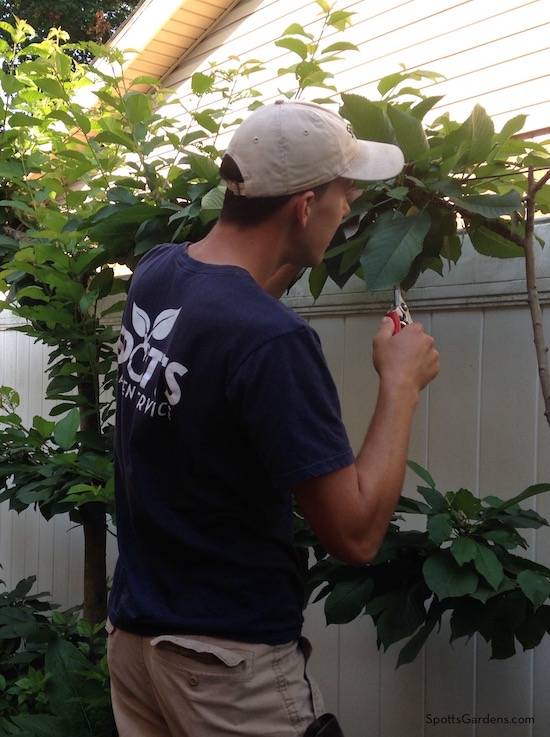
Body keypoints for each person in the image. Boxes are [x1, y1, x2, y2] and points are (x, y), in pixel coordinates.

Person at [107, 100, 440, 737]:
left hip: (137, 644)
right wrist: (400, 384)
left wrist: (292, 254)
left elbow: (227, 306)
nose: (348, 213)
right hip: (227, 666)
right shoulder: (275, 343)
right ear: (304, 207)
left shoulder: (158, 273)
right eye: (345, 196)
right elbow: (356, 535)